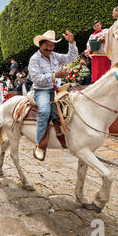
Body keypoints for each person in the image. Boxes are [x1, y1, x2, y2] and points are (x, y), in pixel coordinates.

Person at [28, 30, 79, 161]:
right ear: (40, 45)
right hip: (42, 90)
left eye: (52, 45)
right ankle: (40, 145)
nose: (49, 48)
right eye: (47, 45)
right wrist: (55, 75)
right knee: (44, 112)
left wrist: (72, 43)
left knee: (76, 104)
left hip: (58, 88)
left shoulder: (55, 56)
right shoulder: (34, 59)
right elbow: (37, 79)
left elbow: (71, 58)